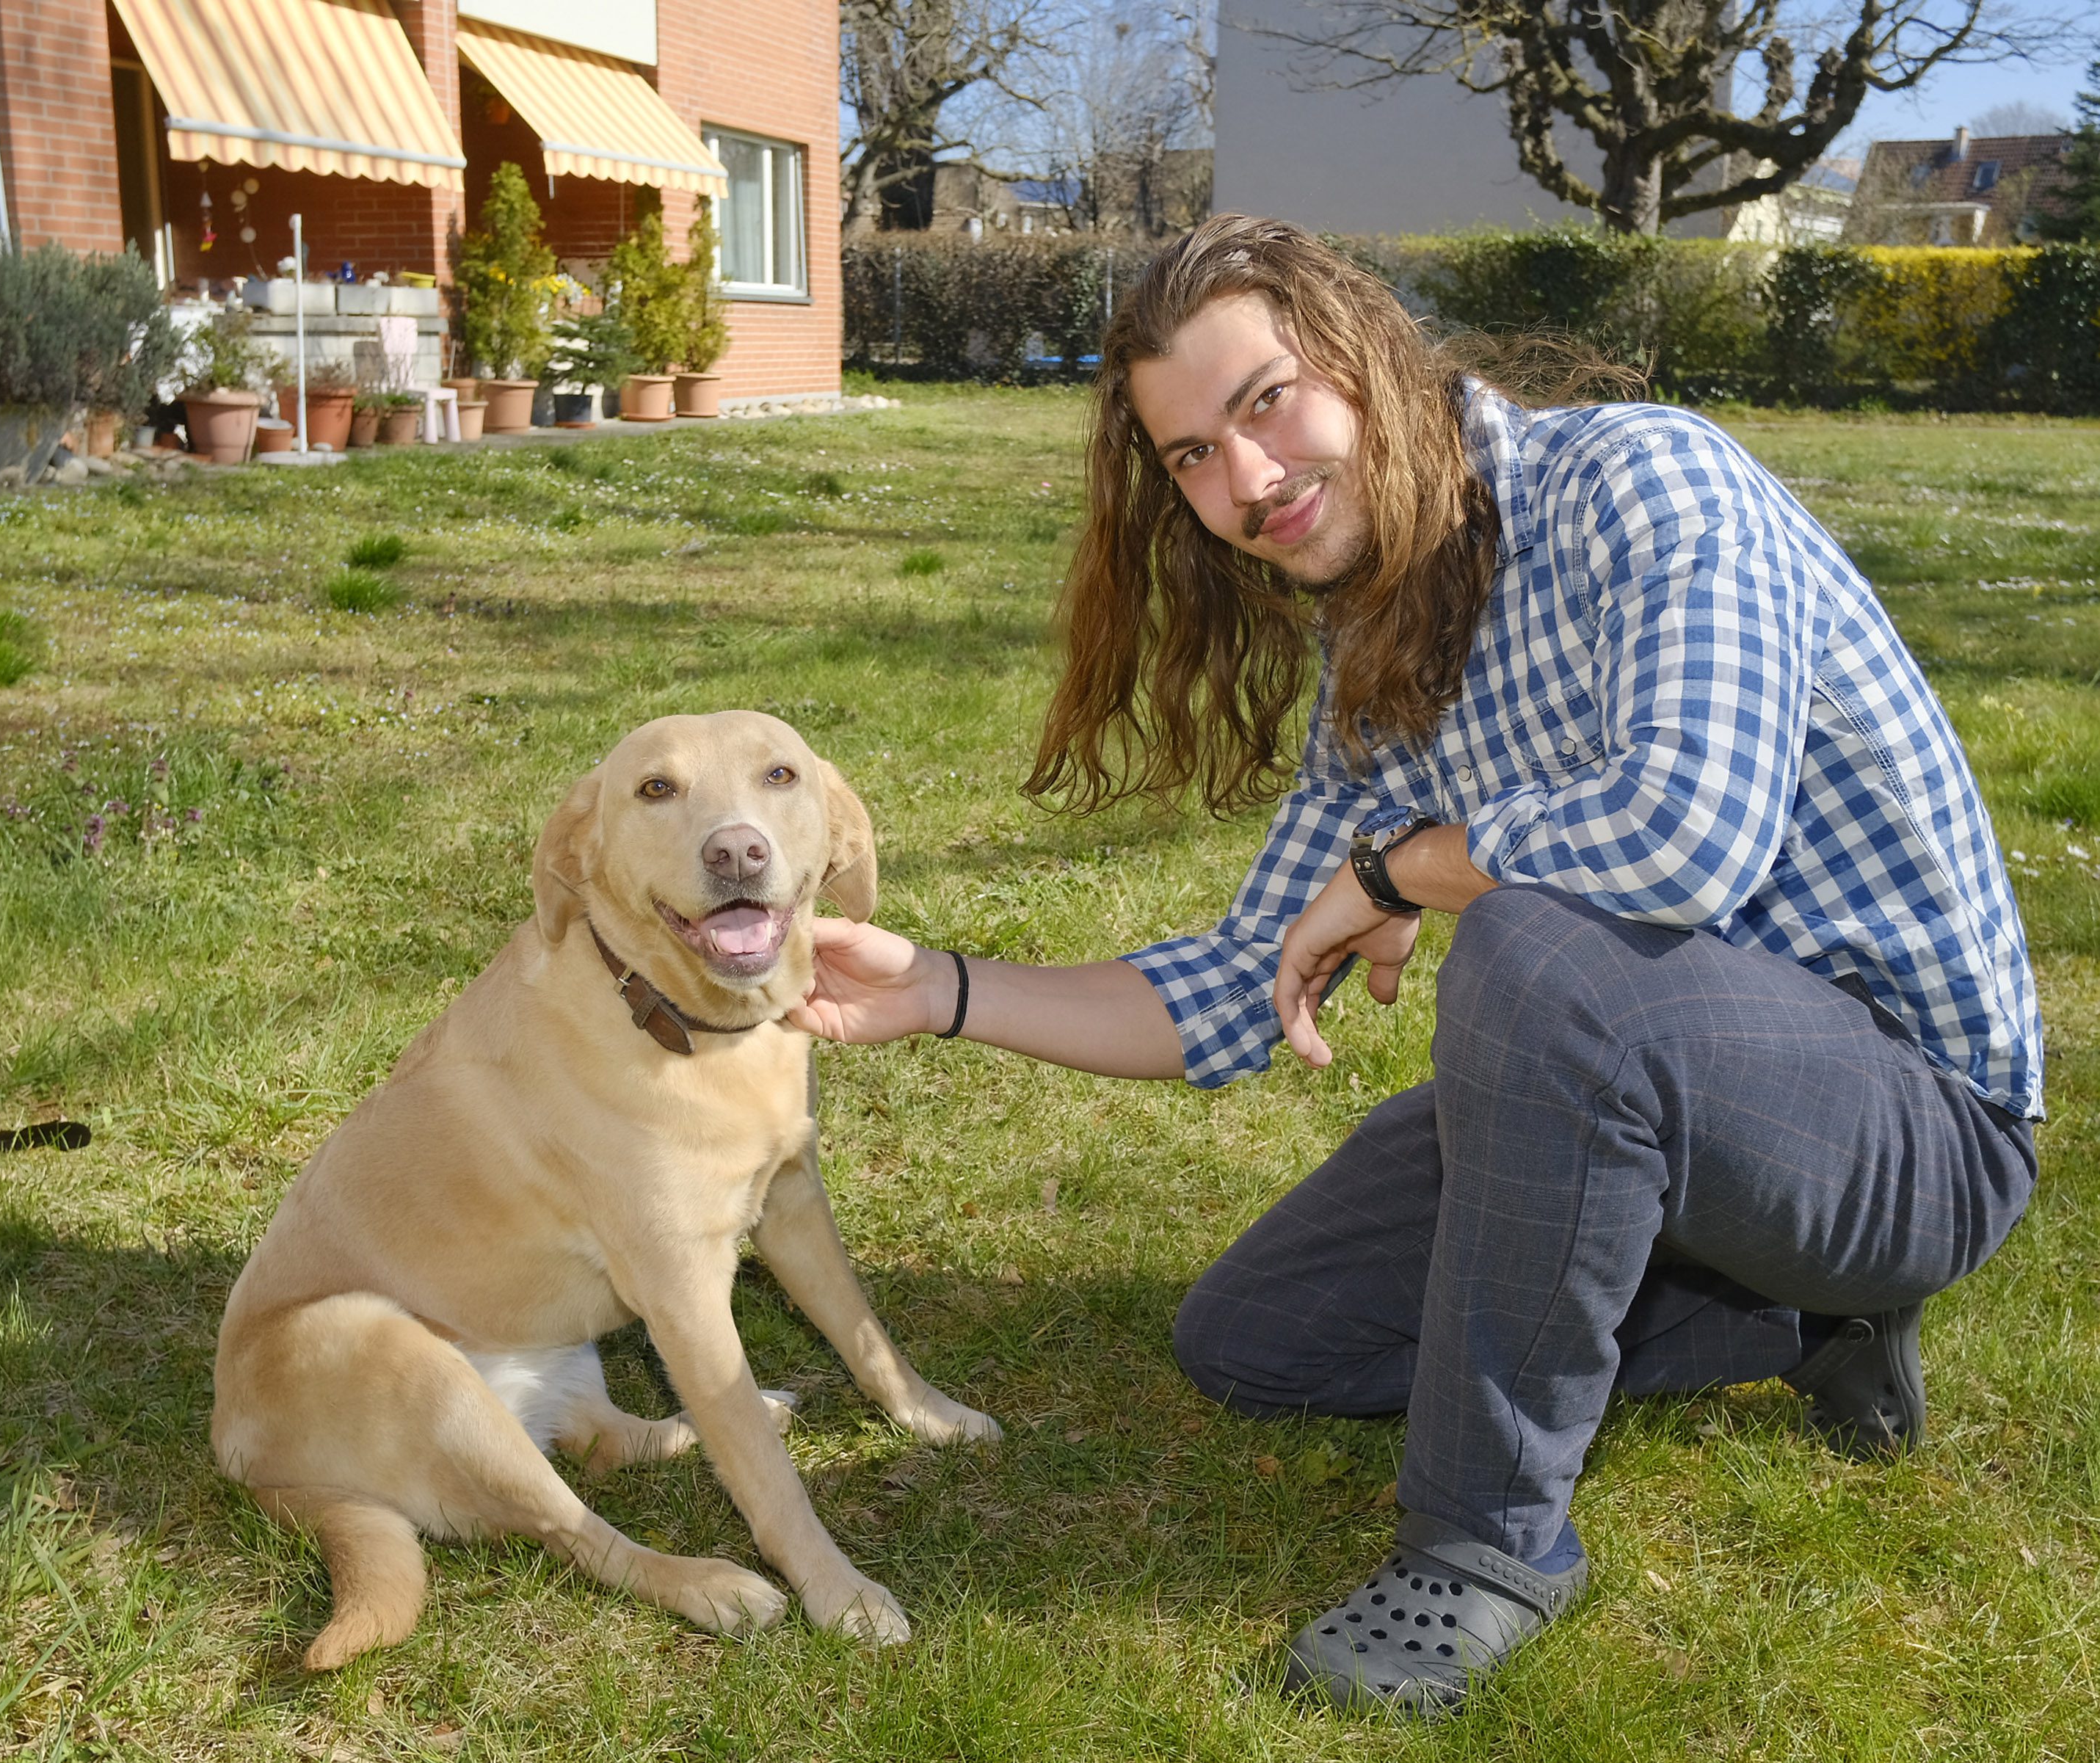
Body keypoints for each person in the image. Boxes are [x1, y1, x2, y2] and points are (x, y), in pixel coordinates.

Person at [786, 216, 2041, 1713]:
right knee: (1259, 1336)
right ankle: (1798, 1324)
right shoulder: (1380, 650)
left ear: (1368, 357)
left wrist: (1409, 868)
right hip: (1654, 1113)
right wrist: (937, 986)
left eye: (1266, 402)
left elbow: (1684, 837)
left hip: (1912, 1134)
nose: (1247, 481)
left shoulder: (1642, 478)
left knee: (1531, 945)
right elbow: (1239, 981)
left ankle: (1483, 1544)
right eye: (1191, 456)